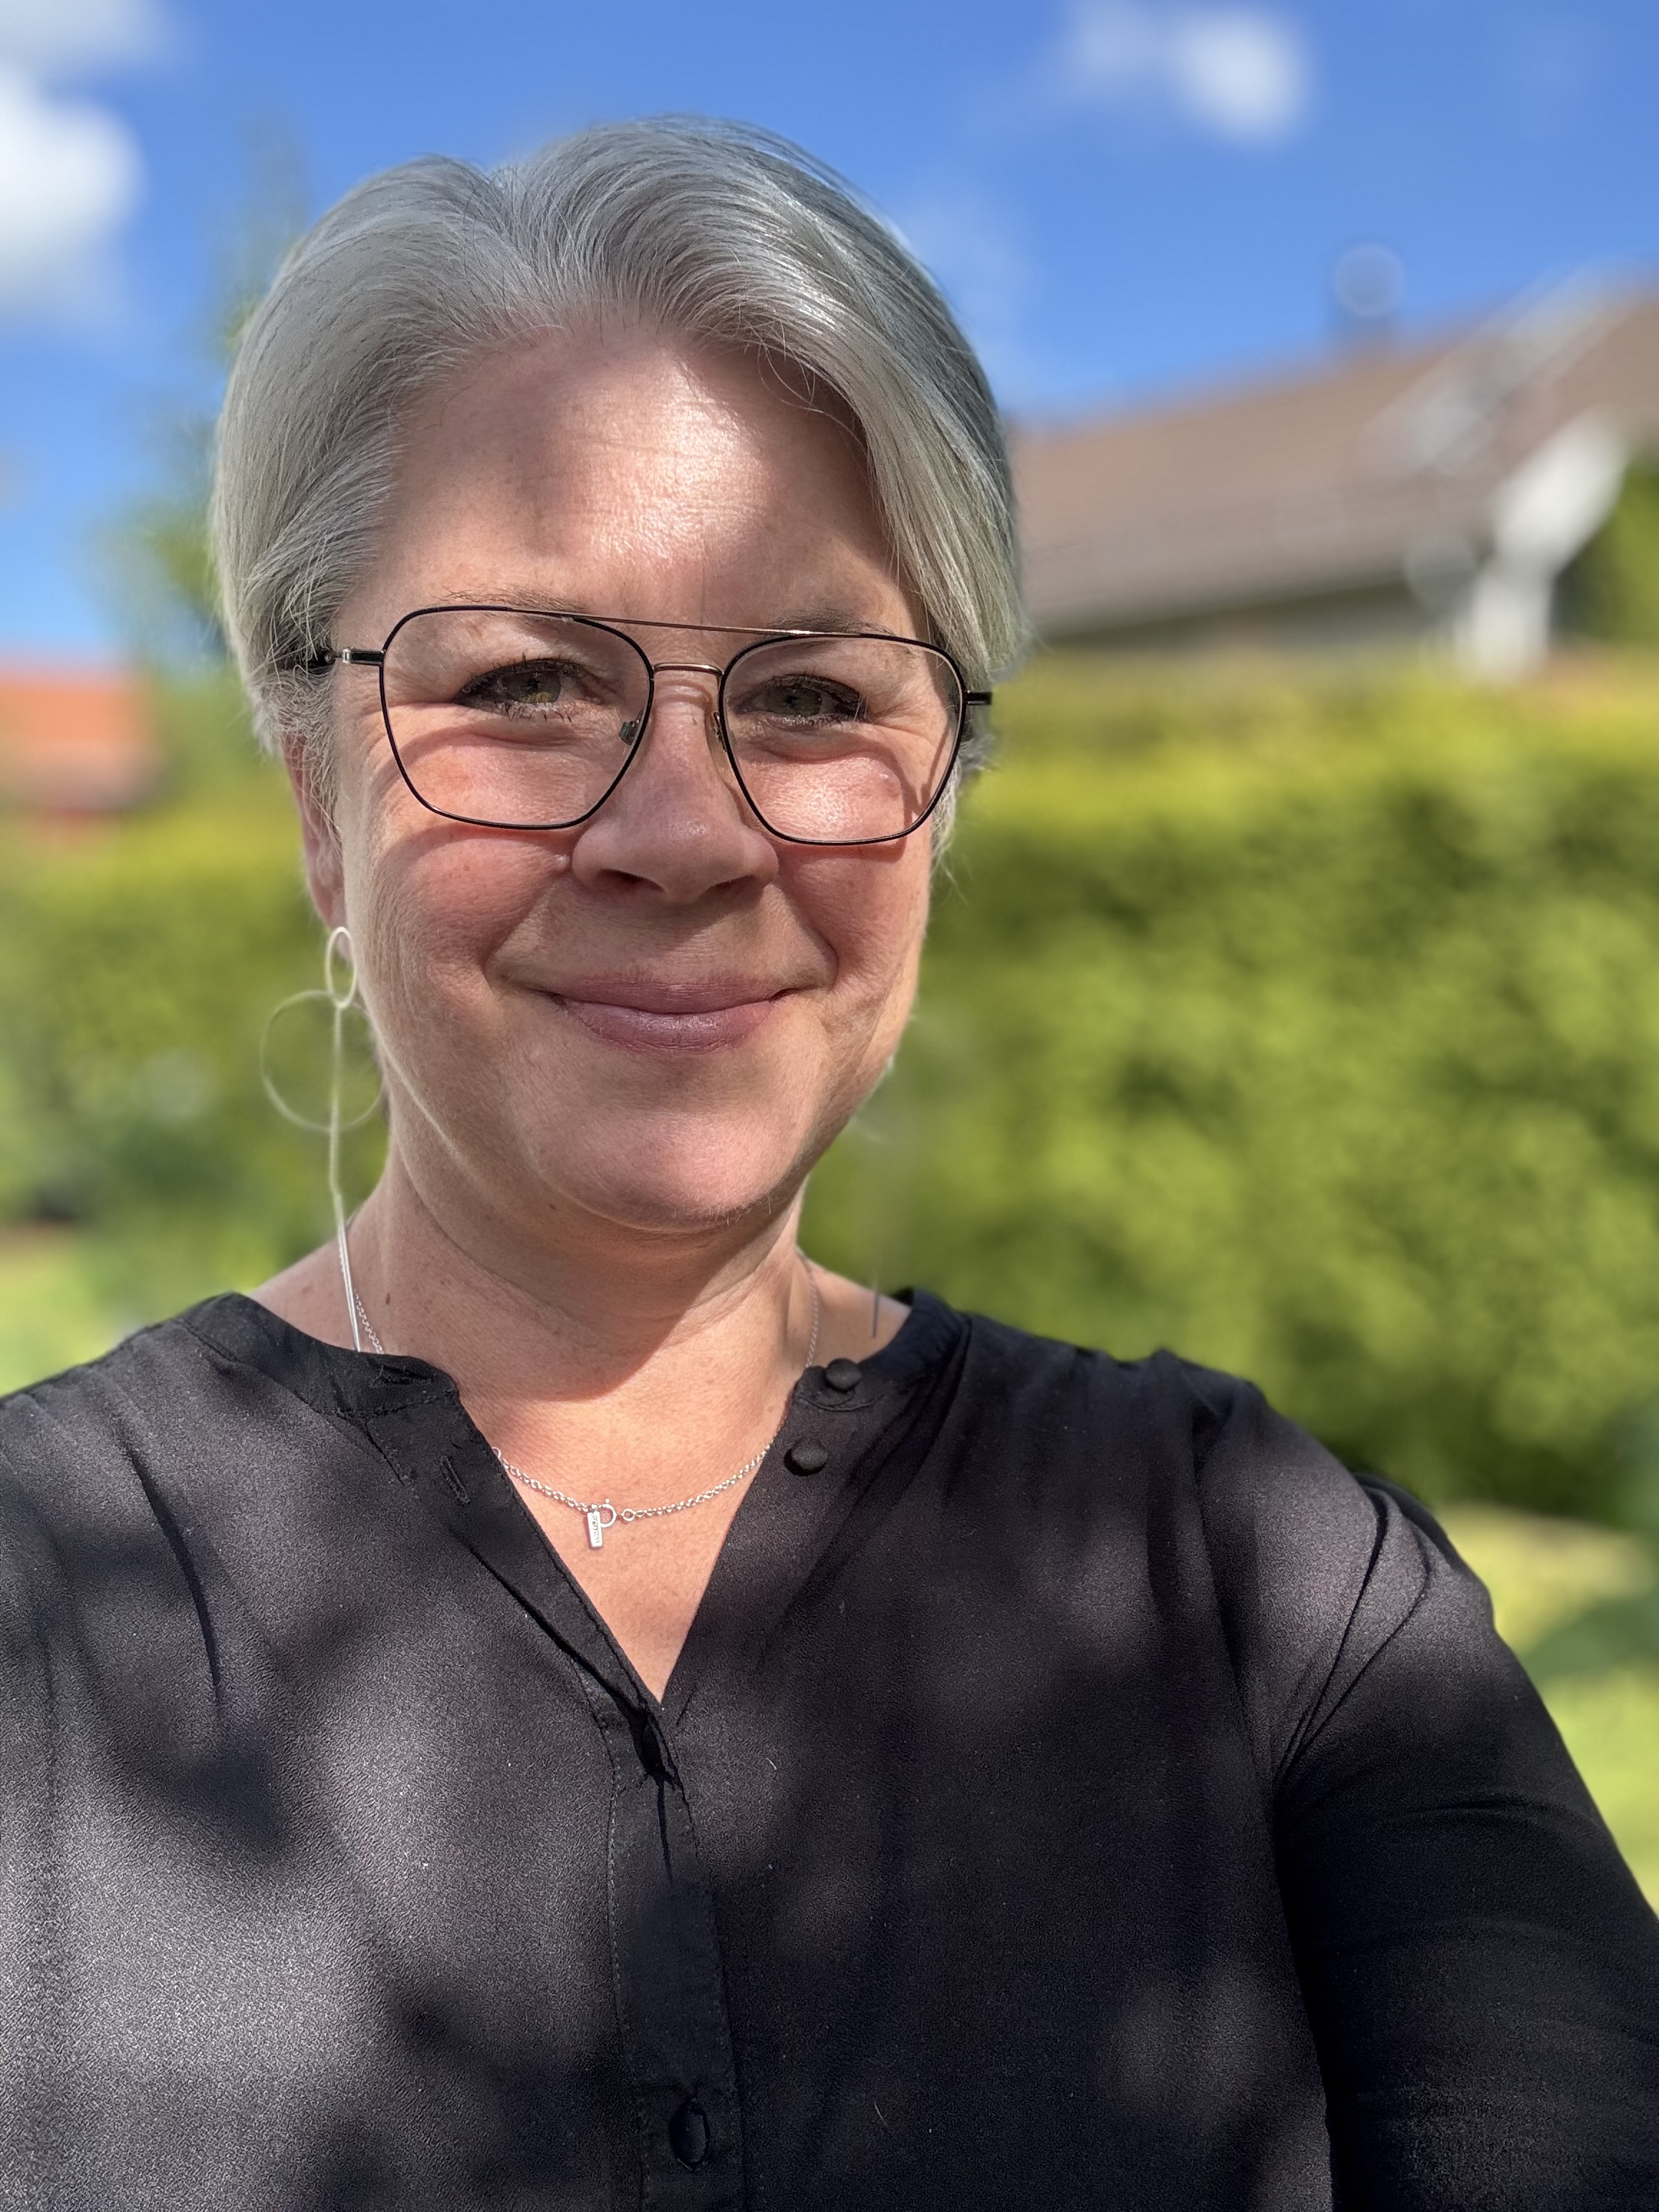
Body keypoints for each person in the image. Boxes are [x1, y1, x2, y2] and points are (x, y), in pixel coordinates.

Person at [1, 119, 1655, 2212]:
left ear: (940, 792)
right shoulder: (41, 1608)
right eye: (524, 680)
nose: (685, 833)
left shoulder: (1270, 1596)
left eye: (806, 694)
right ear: (319, 798)